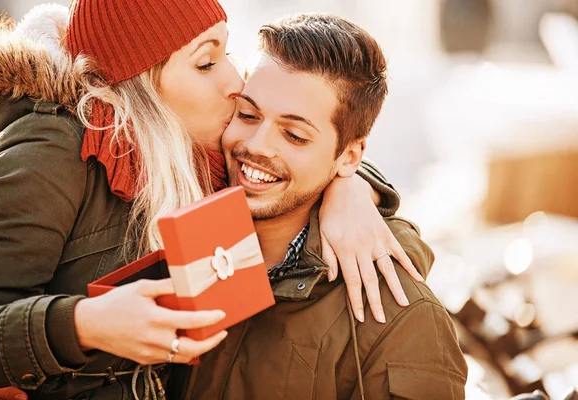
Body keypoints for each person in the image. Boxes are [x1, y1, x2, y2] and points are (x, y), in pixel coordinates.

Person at [0, 1, 421, 399]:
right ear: (140, 83)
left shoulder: (196, 151)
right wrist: (83, 324)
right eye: (206, 63)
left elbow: (299, 157)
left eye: (227, 52)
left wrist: (354, 188)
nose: (235, 81)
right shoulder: (57, 146)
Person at [178, 13, 468, 400]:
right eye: (247, 114)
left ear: (349, 158)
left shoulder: (402, 319)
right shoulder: (178, 219)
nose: (258, 145)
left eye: (294, 135)